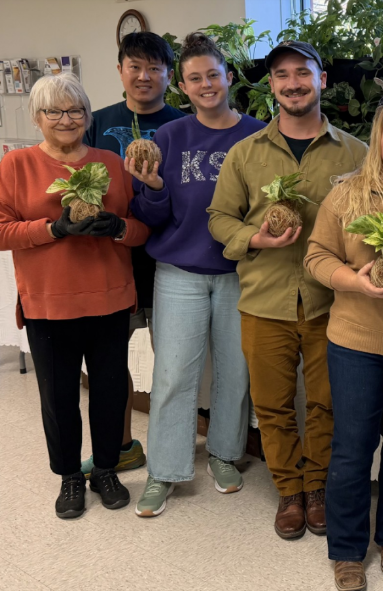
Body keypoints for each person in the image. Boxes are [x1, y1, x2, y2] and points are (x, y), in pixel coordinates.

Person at [208, 40, 367, 539]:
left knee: (327, 403)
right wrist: (254, 238)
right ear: (271, 85)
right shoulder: (246, 153)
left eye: (303, 72)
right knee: (273, 406)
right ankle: (289, 491)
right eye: (282, 75)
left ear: (322, 80)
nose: (293, 83)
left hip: (332, 303)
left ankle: (317, 487)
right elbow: (219, 217)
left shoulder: (357, 153)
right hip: (264, 300)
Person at [0, 73, 149, 519]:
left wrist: (118, 228)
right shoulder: (17, 165)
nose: (66, 119)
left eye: (76, 110)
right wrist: (53, 229)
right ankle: (69, 477)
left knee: (109, 392)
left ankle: (106, 469)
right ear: (37, 117)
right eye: (54, 111)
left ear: (87, 115)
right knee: (59, 398)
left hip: (109, 300)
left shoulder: (111, 162)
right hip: (48, 303)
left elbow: (141, 230)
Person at [127, 33, 266, 517]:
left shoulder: (258, 135)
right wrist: (154, 187)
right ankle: (164, 470)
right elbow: (152, 216)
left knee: (236, 371)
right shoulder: (169, 137)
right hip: (179, 273)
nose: (205, 84)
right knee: (172, 375)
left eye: (212, 74)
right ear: (182, 87)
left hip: (241, 273)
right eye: (194, 78)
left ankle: (225, 453)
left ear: (229, 77)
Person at [305, 95, 383, 591]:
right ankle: (347, 550)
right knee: (353, 447)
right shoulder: (348, 194)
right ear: (377, 139)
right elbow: (316, 256)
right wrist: (356, 281)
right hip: (354, 342)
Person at [81, 31, 187, 478]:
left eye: (154, 68)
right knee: (109, 360)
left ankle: (174, 450)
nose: (144, 76)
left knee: (174, 362)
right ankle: (121, 446)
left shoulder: (184, 124)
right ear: (120, 70)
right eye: (135, 67)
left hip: (169, 261)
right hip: (110, 260)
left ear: (169, 75)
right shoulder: (96, 122)